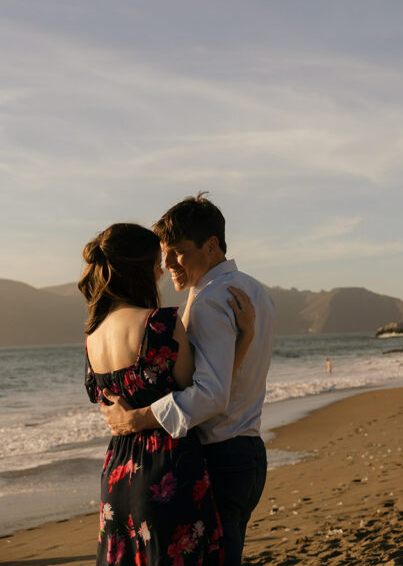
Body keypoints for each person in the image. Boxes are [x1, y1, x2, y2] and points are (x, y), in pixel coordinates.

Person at [101, 195, 275, 566]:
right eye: (163, 254)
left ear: (211, 246)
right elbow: (234, 377)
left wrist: (137, 418)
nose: (166, 265)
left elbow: (211, 395)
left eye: (176, 252)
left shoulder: (210, 300)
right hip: (247, 450)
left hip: (219, 455)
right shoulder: (255, 290)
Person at [80, 222, 228, 566]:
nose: (162, 270)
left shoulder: (92, 336)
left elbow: (103, 400)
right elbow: (200, 393)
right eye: (155, 263)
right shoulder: (159, 324)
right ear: (139, 269)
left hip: (117, 472)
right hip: (168, 470)